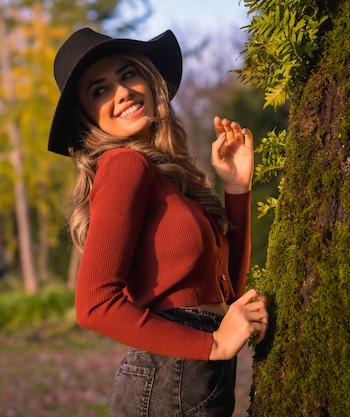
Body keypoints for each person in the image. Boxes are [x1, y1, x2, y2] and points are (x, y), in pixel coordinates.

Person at [47, 28, 269, 417]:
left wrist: (237, 188)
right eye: (99, 91)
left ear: (149, 79)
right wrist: (212, 345)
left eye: (128, 74)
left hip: (195, 376)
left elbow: (224, 289)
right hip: (170, 379)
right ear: (87, 120)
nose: (122, 93)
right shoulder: (124, 165)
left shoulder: (166, 178)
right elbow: (94, 305)